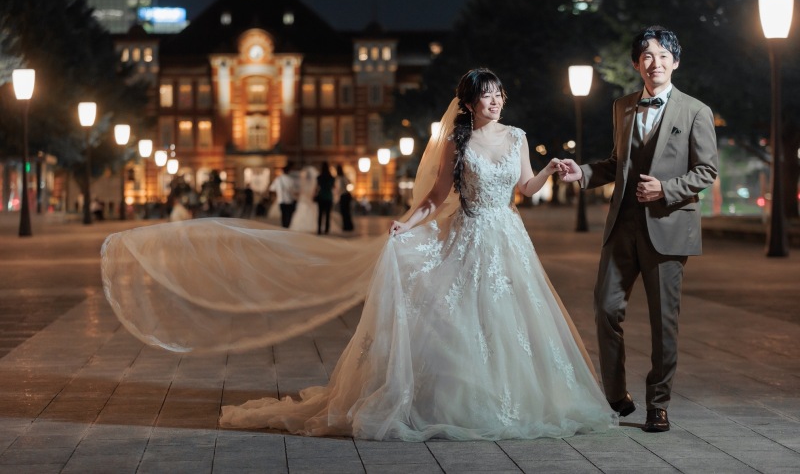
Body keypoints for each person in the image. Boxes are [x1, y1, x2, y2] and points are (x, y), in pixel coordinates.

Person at [101, 68, 617, 441]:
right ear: (470, 103)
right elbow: (436, 199)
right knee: (461, 318)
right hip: (469, 234)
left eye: (499, 94)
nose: (495, 102)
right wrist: (406, 222)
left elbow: (524, 187)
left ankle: (517, 397)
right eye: (486, 97)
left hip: (508, 239)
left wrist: (554, 172)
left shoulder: (519, 136)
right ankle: (459, 398)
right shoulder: (457, 145)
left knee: (513, 321)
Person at [558, 26, 719, 433]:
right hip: (622, 226)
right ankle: (615, 394)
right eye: (647, 56)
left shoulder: (695, 111)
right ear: (636, 64)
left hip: (668, 227)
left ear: (675, 62)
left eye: (664, 56)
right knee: (605, 308)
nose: (656, 63)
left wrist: (667, 189)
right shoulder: (623, 106)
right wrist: (584, 172)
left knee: (664, 322)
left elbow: (707, 170)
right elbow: (617, 162)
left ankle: (658, 404)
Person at [288, 165, 320, 233]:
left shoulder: (304, 182)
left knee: (302, 211)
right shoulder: (311, 184)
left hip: (304, 199)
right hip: (307, 198)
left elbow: (301, 190)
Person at [269, 162, 298, 228]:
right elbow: (293, 191)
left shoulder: (278, 179)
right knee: (289, 215)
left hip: (281, 200)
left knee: (283, 215)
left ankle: (284, 227)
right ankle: (287, 227)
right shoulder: (290, 180)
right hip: (289, 200)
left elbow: (272, 188)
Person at [315, 161, 335, 235]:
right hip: (328, 197)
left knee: (320, 214)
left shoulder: (319, 177)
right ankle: (326, 229)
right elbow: (333, 186)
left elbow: (317, 187)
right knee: (327, 214)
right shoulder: (331, 177)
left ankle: (319, 229)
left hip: (321, 196)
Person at [335, 164, 354, 231]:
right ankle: (348, 225)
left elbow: (339, 188)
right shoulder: (344, 177)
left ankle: (346, 226)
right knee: (347, 211)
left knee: (344, 212)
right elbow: (348, 184)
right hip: (346, 196)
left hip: (343, 196)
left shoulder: (339, 178)